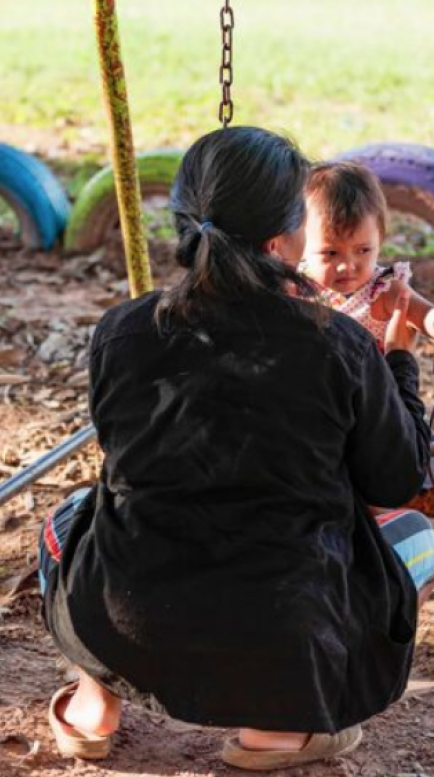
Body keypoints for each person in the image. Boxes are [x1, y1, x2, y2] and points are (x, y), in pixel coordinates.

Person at [38, 127, 434, 770]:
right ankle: (275, 727)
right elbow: (398, 480)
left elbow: (123, 458)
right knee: (417, 534)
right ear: (283, 240)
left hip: (130, 615)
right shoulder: (338, 345)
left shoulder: (122, 331)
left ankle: (93, 703)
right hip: (285, 630)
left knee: (72, 517)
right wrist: (398, 364)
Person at [303, 161, 434, 351]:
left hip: (376, 371)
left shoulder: (385, 291)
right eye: (331, 253)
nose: (347, 266)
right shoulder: (297, 286)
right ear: (300, 243)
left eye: (363, 250)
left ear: (379, 240)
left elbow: (427, 316)